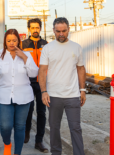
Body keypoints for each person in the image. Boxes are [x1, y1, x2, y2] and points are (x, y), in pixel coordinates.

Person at [39, 17, 86, 155]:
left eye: (64, 31)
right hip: (53, 96)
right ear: (53, 30)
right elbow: (42, 71)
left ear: (68, 29)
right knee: (54, 128)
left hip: (73, 95)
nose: (61, 34)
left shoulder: (76, 47)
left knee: (75, 128)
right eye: (58, 31)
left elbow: (81, 69)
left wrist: (82, 90)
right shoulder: (47, 48)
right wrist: (44, 91)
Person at [0, 29, 38, 155]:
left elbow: (33, 73)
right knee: (5, 127)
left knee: (20, 127)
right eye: (9, 40)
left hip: (24, 96)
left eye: (14, 40)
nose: (11, 43)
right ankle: (7, 144)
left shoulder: (26, 55)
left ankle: (17, 153)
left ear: (18, 40)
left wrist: (24, 57)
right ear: (5, 41)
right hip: (5, 96)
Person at [21, 18, 49, 152]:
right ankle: (26, 131)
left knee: (42, 113)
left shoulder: (46, 44)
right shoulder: (23, 44)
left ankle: (39, 141)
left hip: (42, 83)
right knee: (28, 110)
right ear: (29, 29)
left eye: (37, 27)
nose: (35, 30)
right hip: (28, 83)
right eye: (32, 27)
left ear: (40, 28)